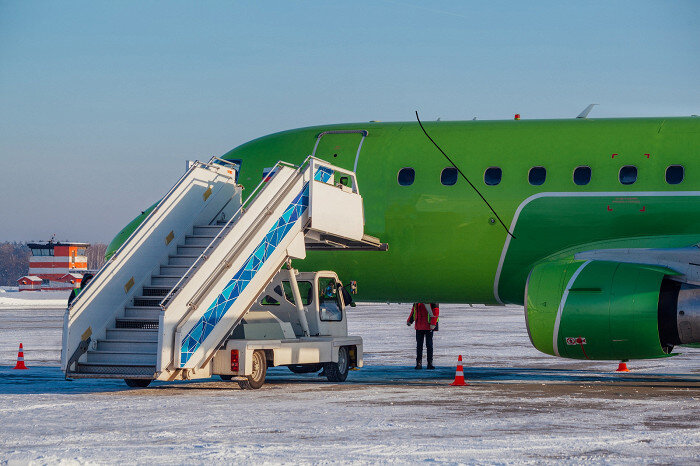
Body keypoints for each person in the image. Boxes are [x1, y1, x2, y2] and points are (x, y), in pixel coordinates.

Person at [406, 302, 439, 370]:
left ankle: (429, 363)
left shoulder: (431, 301)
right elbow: (414, 311)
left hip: (428, 326)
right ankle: (419, 363)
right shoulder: (416, 302)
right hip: (419, 327)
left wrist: (433, 323)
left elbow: (435, 312)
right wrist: (410, 320)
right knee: (419, 346)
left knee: (429, 345)